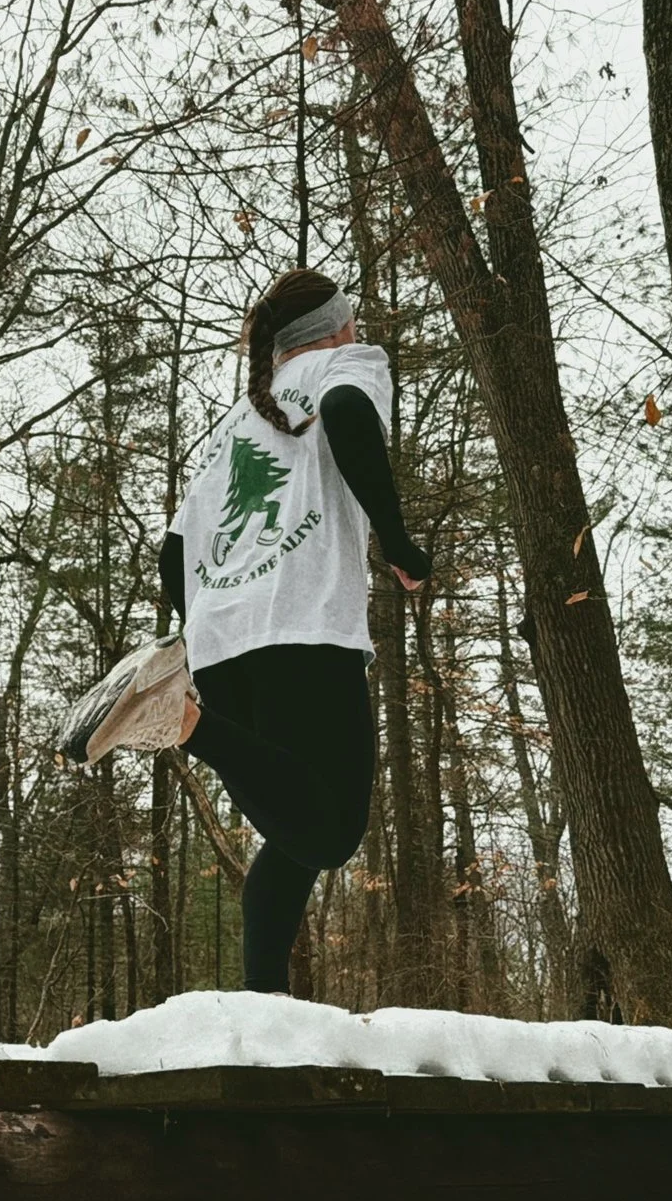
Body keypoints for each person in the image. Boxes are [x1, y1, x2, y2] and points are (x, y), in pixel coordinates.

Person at [56, 267, 431, 994]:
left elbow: (175, 551)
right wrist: (398, 542)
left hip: (223, 643)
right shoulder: (347, 363)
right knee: (330, 832)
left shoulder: (233, 424)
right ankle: (178, 719)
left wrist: (198, 638)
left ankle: (265, 1012)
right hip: (302, 627)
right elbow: (351, 416)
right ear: (338, 326)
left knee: (290, 847)